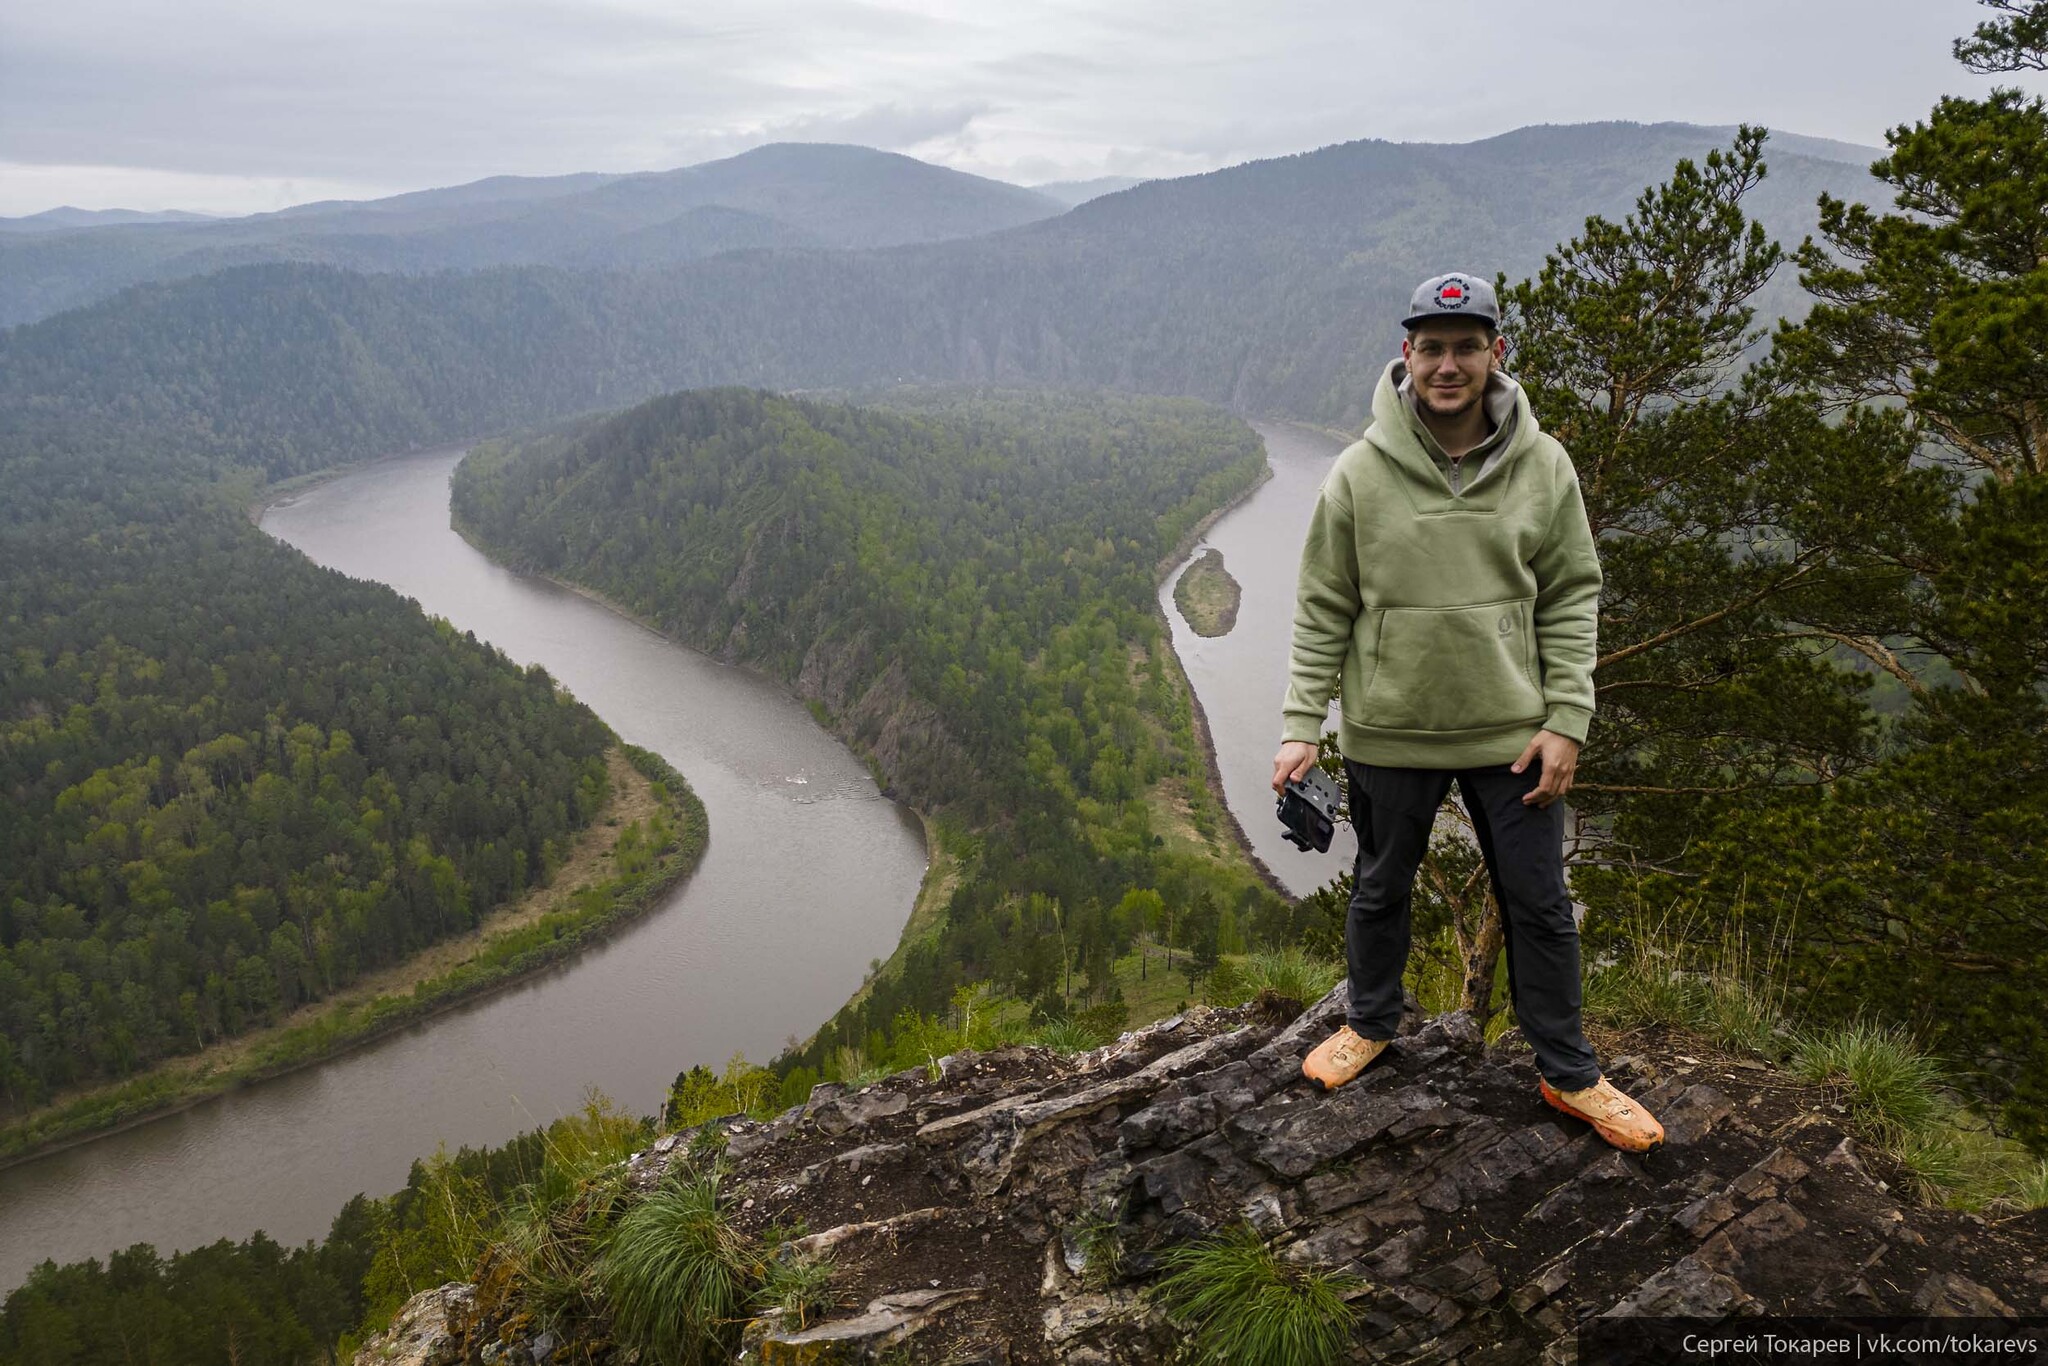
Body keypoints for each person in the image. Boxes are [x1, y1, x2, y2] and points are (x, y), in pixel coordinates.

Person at [1270, 271, 1664, 1152]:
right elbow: (1324, 603)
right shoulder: (1360, 473)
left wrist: (1568, 718)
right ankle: (1370, 1025)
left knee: (1541, 903)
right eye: (1433, 347)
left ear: (1496, 353)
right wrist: (1303, 725)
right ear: (1407, 354)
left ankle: (1569, 1073)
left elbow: (1572, 595)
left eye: (1467, 346)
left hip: (1515, 737)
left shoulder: (1544, 465)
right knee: (1380, 891)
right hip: (1390, 731)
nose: (1450, 364)